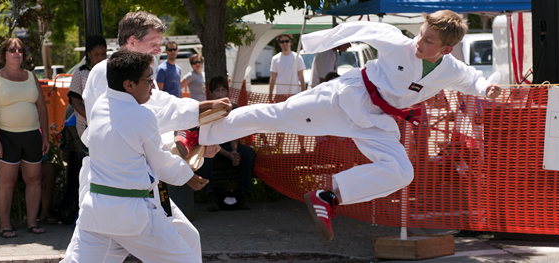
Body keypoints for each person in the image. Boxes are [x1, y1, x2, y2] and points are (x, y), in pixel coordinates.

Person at [197, 10, 503, 241]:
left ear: (446, 50)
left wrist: (487, 87)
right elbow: (359, 28)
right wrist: (313, 43)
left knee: (401, 171)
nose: (419, 42)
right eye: (421, 34)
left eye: (428, 41)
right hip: (347, 96)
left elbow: (473, 79)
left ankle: (329, 196)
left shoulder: (449, 68)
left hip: (376, 121)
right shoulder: (398, 43)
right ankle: (200, 132)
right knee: (276, 116)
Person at [68, 11, 231, 261]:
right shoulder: (109, 73)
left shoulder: (134, 73)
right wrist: (191, 161)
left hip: (124, 189)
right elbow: (147, 119)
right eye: (153, 42)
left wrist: (202, 109)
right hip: (119, 184)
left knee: (188, 238)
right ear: (132, 42)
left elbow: (159, 106)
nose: (158, 49)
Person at [0, 38, 50, 238]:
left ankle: (31, 222)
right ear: (4, 53)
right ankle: (5, 225)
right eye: (12, 50)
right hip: (6, 136)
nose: (16, 53)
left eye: (20, 50)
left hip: (32, 135)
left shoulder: (31, 77)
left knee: (34, 179)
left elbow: (41, 108)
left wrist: (45, 135)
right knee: (7, 181)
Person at [199, 76, 256, 211]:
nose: (220, 94)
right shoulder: (207, 110)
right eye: (217, 91)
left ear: (227, 92)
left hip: (230, 144)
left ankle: (244, 194)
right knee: (205, 158)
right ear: (212, 93)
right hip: (214, 147)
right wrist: (228, 154)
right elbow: (208, 139)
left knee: (249, 154)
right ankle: (211, 194)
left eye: (223, 90)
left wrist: (234, 152)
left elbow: (234, 133)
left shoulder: (234, 108)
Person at [69, 35, 107, 139]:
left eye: (103, 54)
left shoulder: (111, 71)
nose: (100, 58)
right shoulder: (81, 73)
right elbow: (75, 102)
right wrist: (92, 117)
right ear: (89, 54)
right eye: (96, 54)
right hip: (87, 124)